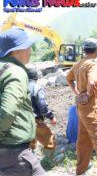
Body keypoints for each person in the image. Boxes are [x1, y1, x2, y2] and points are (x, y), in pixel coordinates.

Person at [0, 28, 45, 175]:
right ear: (16, 51)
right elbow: (7, 112)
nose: (30, 50)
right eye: (27, 46)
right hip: (14, 151)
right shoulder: (16, 72)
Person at [66, 38, 97, 176]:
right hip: (91, 109)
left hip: (81, 108)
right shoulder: (93, 65)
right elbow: (91, 81)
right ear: (96, 50)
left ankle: (80, 170)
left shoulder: (78, 63)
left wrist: (78, 93)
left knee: (83, 139)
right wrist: (87, 94)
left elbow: (69, 79)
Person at [27, 68, 57, 152]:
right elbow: (42, 105)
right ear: (36, 78)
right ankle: (50, 159)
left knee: (29, 143)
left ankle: (29, 159)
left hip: (23, 120)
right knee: (49, 141)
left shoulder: (21, 87)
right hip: (35, 120)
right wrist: (51, 117)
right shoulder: (36, 88)